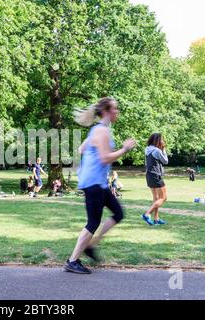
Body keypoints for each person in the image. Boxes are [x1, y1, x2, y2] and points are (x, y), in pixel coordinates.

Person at [64, 97, 136, 274]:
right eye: (114, 109)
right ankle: (72, 261)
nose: (117, 111)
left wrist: (89, 162)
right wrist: (124, 149)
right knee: (93, 222)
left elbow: (81, 150)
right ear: (106, 110)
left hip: (98, 182)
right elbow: (104, 158)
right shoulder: (101, 131)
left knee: (118, 214)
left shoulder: (98, 130)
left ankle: (91, 246)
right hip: (94, 183)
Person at [142, 133, 169, 226]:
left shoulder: (147, 149)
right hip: (156, 175)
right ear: (158, 141)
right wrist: (164, 149)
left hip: (149, 175)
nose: (162, 141)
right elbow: (165, 161)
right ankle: (147, 214)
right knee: (163, 198)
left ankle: (156, 219)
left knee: (156, 198)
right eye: (161, 139)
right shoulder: (157, 151)